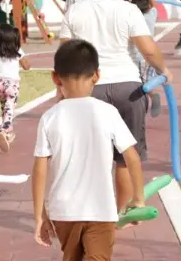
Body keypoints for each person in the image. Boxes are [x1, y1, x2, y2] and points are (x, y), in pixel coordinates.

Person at [59, 0, 172, 211]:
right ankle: (119, 213)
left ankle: (91, 212)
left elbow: (65, 55)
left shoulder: (75, 12)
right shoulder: (129, 10)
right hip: (128, 89)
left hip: (89, 90)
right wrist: (165, 70)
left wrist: (62, 92)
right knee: (125, 156)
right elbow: (148, 49)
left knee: (91, 157)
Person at [32, 40, 146, 260]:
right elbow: (132, 158)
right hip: (100, 211)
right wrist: (138, 198)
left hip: (63, 212)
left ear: (55, 78)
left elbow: (39, 170)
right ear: (97, 75)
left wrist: (40, 216)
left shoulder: (49, 117)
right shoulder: (108, 112)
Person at [0, 23, 32, 152]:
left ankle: (9, 132)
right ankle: (4, 130)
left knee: (5, 108)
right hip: (12, 84)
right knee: (10, 107)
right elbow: (27, 66)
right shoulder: (17, 51)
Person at [131, 0, 162, 117]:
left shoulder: (134, 18)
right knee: (145, 80)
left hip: (139, 56)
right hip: (152, 55)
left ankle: (153, 96)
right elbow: (154, 5)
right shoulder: (152, 14)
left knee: (140, 83)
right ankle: (147, 100)